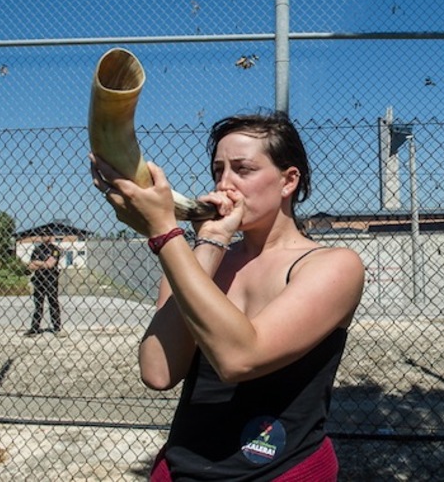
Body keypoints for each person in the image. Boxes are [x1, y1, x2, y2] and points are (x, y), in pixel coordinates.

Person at [91, 112, 364, 481]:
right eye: (219, 170)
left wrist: (163, 232)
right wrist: (209, 244)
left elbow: (239, 358)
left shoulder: (333, 266)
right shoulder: (195, 261)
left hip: (283, 471)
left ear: (288, 181)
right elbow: (157, 371)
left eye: (243, 169)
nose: (225, 184)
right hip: (182, 469)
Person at [25, 234, 63, 336]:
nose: (44, 237)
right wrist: (43, 264)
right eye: (42, 235)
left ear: (50, 237)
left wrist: (38, 263)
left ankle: (56, 327)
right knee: (38, 304)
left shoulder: (55, 250)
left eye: (47, 235)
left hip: (51, 279)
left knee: (53, 303)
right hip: (39, 279)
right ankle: (35, 327)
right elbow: (31, 265)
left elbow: (50, 264)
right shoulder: (37, 249)